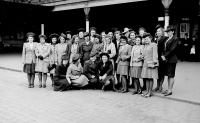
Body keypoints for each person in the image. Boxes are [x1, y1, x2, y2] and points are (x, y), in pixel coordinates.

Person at [161, 26, 179, 96]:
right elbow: (164, 49)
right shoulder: (167, 39)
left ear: (173, 32)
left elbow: (173, 49)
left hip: (172, 59)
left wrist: (165, 56)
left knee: (171, 75)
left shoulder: (175, 39)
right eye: (167, 32)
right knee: (168, 75)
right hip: (166, 59)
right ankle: (168, 89)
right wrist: (162, 55)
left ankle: (170, 90)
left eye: (169, 32)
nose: (167, 33)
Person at [140, 33, 158, 98]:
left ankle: (150, 92)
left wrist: (154, 63)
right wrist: (141, 57)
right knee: (147, 78)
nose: (146, 40)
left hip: (151, 63)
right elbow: (144, 54)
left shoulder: (154, 44)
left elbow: (155, 54)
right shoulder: (145, 46)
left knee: (150, 78)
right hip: (145, 63)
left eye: (147, 38)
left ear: (150, 38)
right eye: (145, 39)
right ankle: (147, 91)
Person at [154, 27, 168, 93]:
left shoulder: (165, 38)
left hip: (162, 58)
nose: (158, 32)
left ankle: (160, 86)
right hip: (156, 58)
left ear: (162, 32)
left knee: (162, 73)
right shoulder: (156, 39)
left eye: (159, 31)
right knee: (157, 72)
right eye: (157, 31)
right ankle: (157, 85)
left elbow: (165, 48)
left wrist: (163, 55)